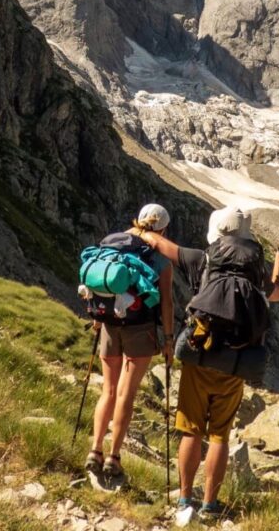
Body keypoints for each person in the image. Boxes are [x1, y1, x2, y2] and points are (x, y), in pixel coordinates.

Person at [140, 206, 279, 519]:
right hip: (237, 360)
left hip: (200, 354)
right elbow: (277, 291)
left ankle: (185, 500)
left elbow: (160, 245)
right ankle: (210, 505)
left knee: (190, 431)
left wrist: (140, 230)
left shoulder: (202, 258)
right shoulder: (255, 269)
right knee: (219, 436)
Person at [85, 203, 175, 479]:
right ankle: (113, 457)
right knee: (126, 394)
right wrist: (168, 339)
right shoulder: (160, 260)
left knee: (108, 391)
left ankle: (94, 450)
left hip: (109, 324)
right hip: (140, 329)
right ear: (162, 229)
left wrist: (98, 319)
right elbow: (167, 304)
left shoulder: (112, 246)